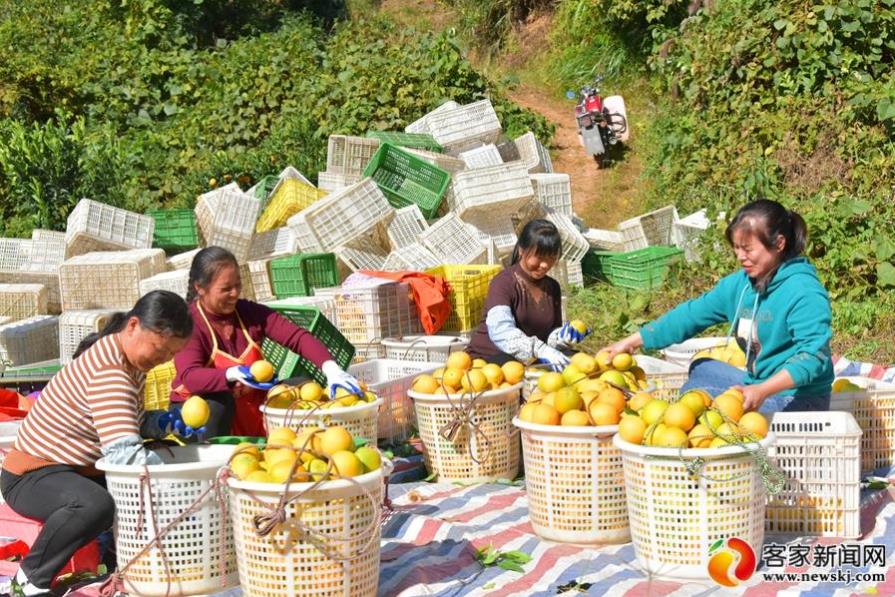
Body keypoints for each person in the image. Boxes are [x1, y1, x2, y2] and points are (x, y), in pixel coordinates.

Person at [0, 290, 195, 597]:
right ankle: (27, 582)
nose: (161, 361)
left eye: (170, 355)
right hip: (31, 475)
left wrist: (162, 422)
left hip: (75, 470)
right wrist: (188, 480)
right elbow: (125, 456)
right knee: (95, 505)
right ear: (132, 326)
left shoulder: (130, 362)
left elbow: (126, 419)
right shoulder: (111, 372)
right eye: (159, 350)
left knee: (155, 464)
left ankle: (134, 566)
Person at [602, 199, 834, 414]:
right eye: (736, 248)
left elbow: (814, 356)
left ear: (779, 243)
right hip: (758, 384)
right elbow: (691, 315)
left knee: (692, 398)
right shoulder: (741, 285)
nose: (740, 257)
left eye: (748, 249)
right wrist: (632, 341)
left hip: (798, 400)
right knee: (702, 368)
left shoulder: (803, 291)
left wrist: (762, 391)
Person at [170, 246, 360, 437]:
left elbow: (297, 337)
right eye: (226, 289)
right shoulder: (191, 324)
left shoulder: (248, 312)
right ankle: (213, 458)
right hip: (203, 422)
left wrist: (330, 368)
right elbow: (190, 376)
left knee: (303, 386)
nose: (235, 293)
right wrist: (230, 374)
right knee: (219, 401)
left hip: (249, 406)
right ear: (200, 288)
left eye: (238, 285)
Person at [467, 219, 589, 370]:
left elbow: (547, 335)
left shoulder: (552, 287)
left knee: (575, 361)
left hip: (527, 361)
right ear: (521, 250)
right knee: (511, 365)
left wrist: (561, 337)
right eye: (539, 257)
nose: (545, 264)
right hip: (488, 362)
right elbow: (501, 331)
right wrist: (540, 350)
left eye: (551, 257)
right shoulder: (503, 283)